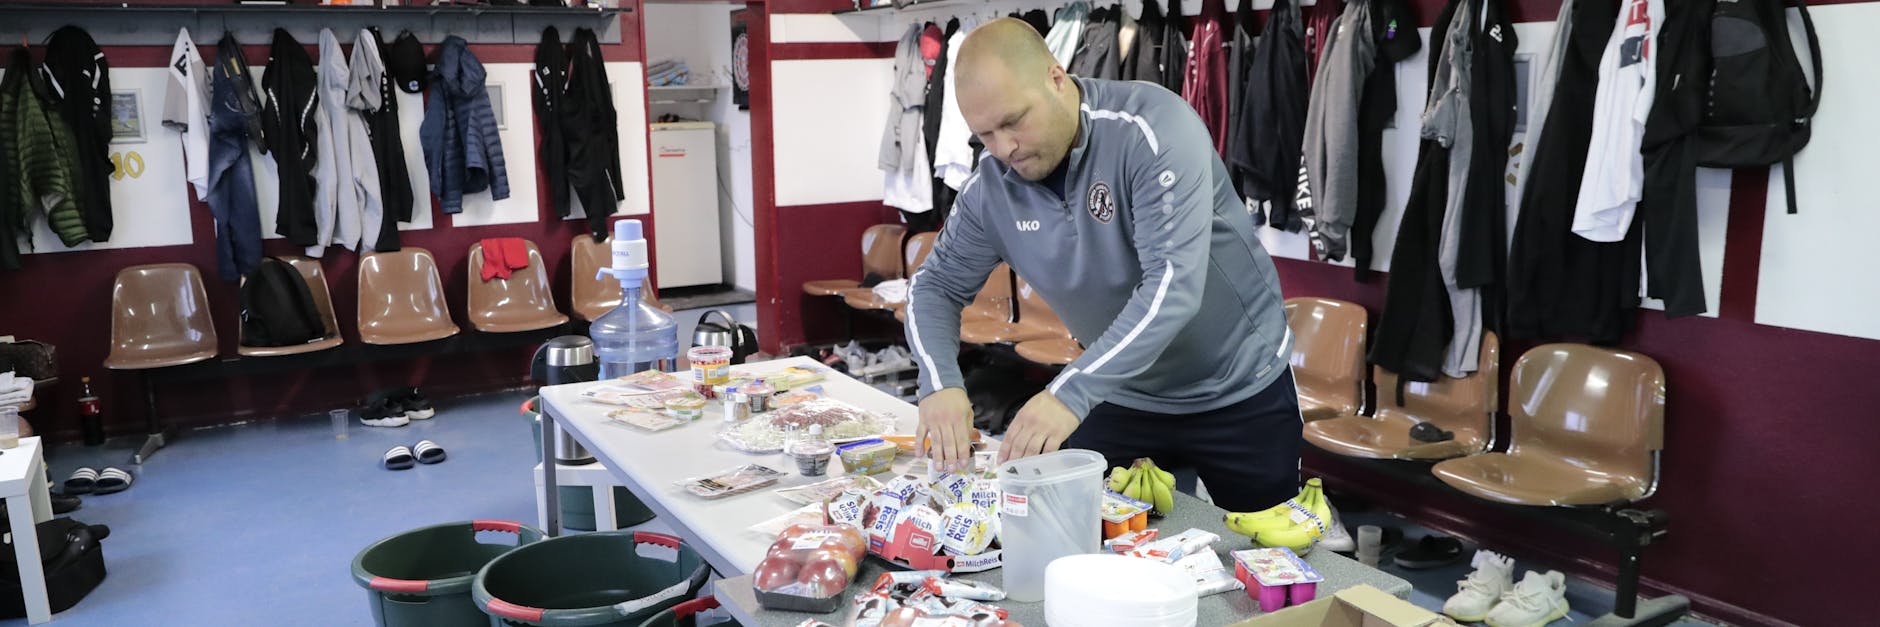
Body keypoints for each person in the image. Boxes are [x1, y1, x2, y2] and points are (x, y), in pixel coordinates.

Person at [904, 18, 1302, 511]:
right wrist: (939, 383)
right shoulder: (991, 189)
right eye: (985, 134)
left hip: (1240, 389)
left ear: (1056, 78)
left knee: (1271, 567)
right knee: (1103, 556)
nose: (1005, 148)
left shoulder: (1154, 130)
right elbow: (933, 287)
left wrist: (1068, 394)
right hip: (1121, 392)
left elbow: (1171, 287)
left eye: (1013, 121)